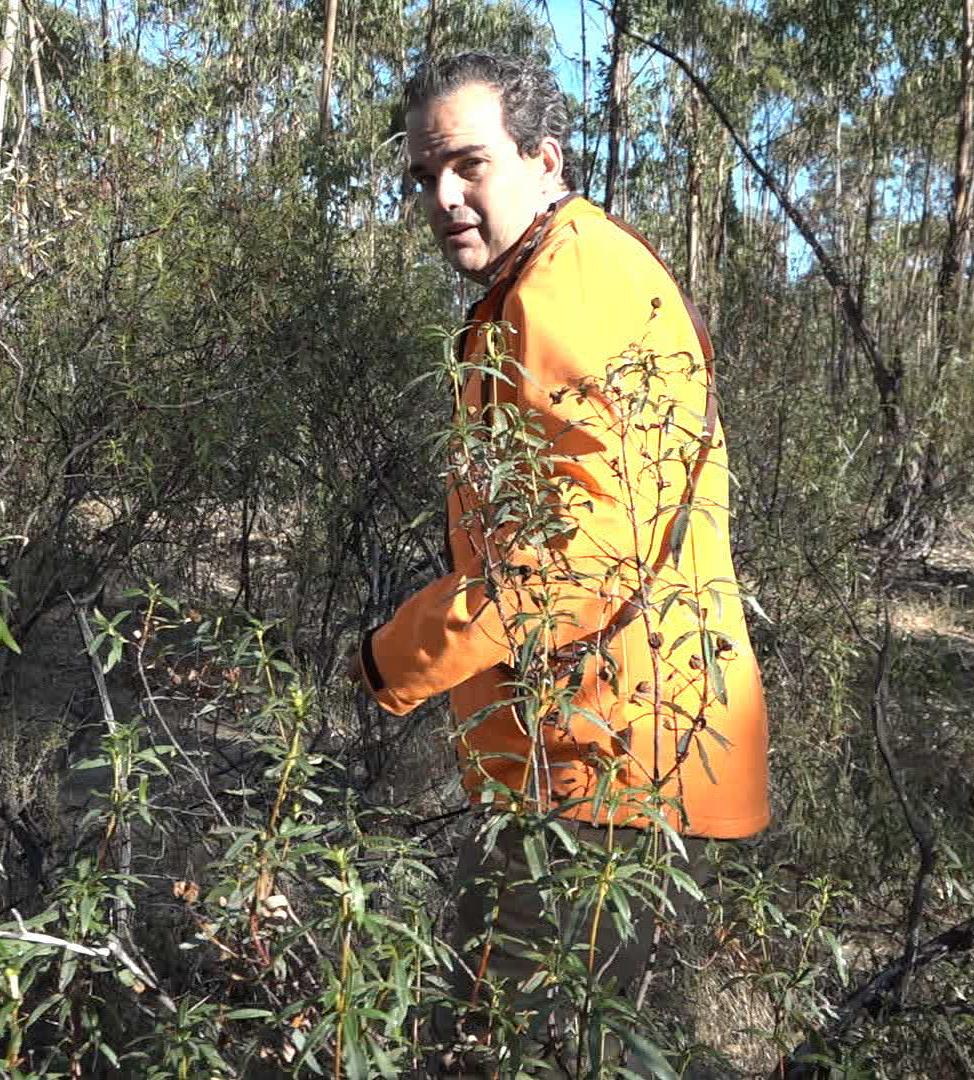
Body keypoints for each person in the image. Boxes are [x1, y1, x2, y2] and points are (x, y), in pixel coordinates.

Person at [351, 50, 771, 1072]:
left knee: (532, 1044)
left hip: (611, 763)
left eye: (468, 165)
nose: (443, 196)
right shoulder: (538, 277)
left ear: (544, 160)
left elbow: (583, 557)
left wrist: (397, 657)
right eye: (423, 177)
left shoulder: (571, 279)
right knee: (502, 1031)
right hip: (580, 754)